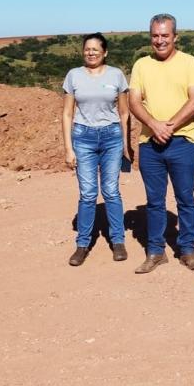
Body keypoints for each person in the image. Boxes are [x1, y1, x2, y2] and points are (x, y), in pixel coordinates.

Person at [128, 13, 194, 274]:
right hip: (150, 144)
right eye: (155, 35)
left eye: (165, 35)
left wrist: (169, 126)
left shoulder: (190, 63)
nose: (160, 40)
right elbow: (134, 101)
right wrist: (154, 125)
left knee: (185, 198)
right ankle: (155, 251)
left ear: (175, 37)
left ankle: (187, 250)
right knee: (154, 201)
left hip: (182, 141)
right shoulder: (141, 65)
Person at [62, 33, 132, 266]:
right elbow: (67, 113)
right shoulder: (74, 76)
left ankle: (118, 241)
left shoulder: (116, 75)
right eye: (87, 49)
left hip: (111, 136)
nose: (91, 53)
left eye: (95, 49)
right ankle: (83, 244)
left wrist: (126, 144)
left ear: (105, 52)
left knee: (111, 191)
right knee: (88, 193)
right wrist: (68, 148)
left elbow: (124, 112)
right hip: (83, 137)